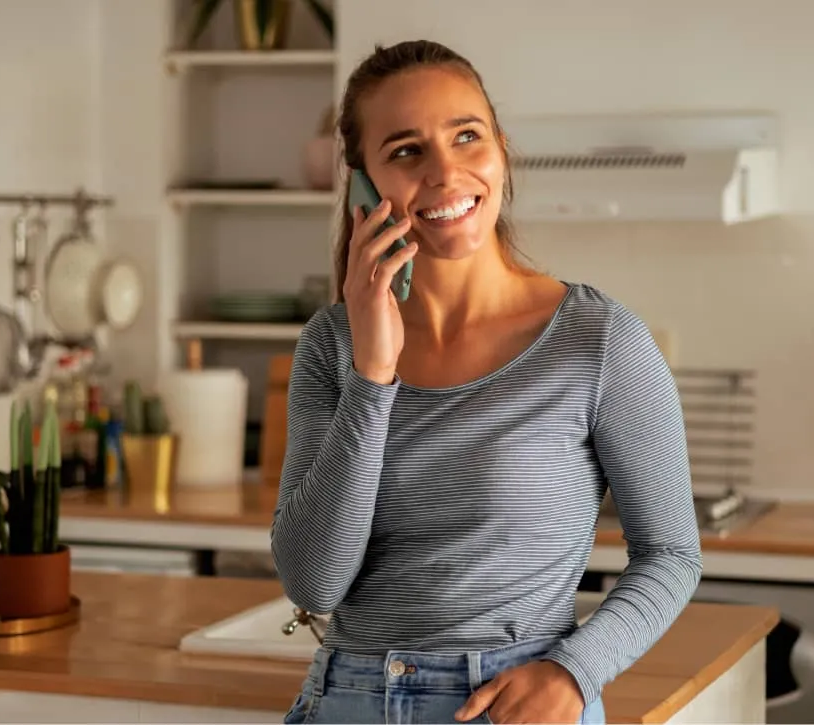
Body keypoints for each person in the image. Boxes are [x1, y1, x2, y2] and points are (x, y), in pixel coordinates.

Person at [271, 39, 702, 725]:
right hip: (347, 700)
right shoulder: (333, 346)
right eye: (406, 151)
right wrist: (374, 375)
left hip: (513, 705)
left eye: (466, 136)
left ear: (501, 150)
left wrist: (575, 672)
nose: (446, 172)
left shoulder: (598, 340)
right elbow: (313, 582)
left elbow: (671, 555)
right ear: (362, 185)